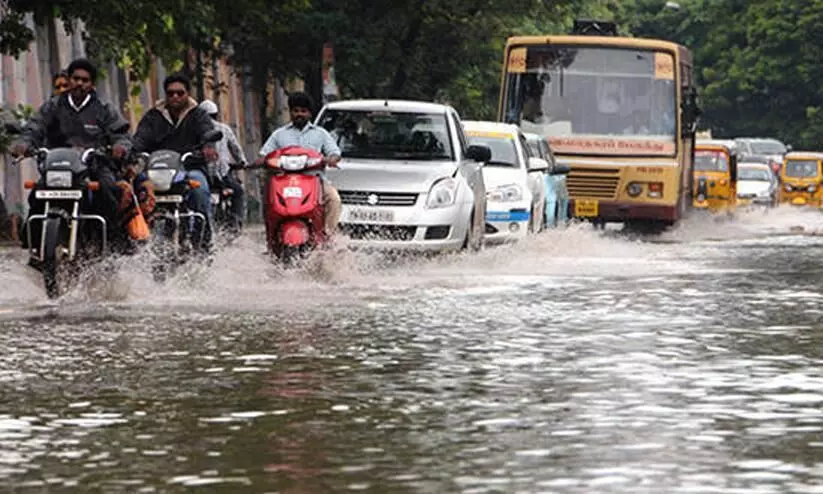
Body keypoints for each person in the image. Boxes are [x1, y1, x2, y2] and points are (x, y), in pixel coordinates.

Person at [12, 58, 133, 251]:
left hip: (94, 165)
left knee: (109, 190)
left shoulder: (104, 108)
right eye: (75, 78)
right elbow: (34, 128)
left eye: (85, 80)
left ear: (91, 84)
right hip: (59, 165)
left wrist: (120, 146)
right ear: (69, 80)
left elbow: (121, 134)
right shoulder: (53, 106)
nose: (79, 83)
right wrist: (24, 144)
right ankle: (34, 248)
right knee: (37, 195)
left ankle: (110, 246)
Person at [132, 73, 219, 251]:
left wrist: (208, 146)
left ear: (187, 93)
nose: (175, 97)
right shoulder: (153, 116)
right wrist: (133, 151)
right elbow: (140, 138)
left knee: (200, 189)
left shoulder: (198, 115)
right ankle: (135, 242)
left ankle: (203, 241)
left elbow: (207, 132)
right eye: (170, 93)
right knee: (133, 189)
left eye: (180, 93)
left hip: (189, 168)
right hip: (157, 171)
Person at [257, 91, 342, 235]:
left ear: (310, 114)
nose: (299, 114)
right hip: (284, 181)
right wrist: (256, 163)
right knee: (268, 201)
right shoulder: (279, 134)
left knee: (334, 199)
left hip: (315, 180)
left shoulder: (320, 133)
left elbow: (335, 153)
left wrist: (330, 159)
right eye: (296, 111)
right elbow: (265, 154)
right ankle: (272, 237)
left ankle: (327, 236)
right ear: (290, 112)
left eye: (303, 111)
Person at [198, 99, 247, 232]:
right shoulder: (224, 129)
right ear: (216, 115)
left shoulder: (195, 130)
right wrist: (242, 162)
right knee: (239, 191)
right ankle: (236, 224)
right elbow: (236, 149)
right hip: (222, 174)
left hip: (202, 174)